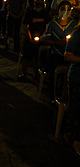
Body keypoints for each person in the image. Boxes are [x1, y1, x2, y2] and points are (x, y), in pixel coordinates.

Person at [40, 0, 78, 100]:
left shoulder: (74, 24)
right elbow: (44, 40)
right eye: (63, 9)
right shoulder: (53, 24)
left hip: (70, 56)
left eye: (68, 9)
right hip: (56, 54)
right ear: (58, 10)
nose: (65, 11)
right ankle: (52, 94)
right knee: (53, 70)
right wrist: (56, 43)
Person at [18, 0, 50, 80]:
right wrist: (30, 38)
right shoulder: (30, 12)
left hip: (41, 39)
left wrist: (42, 38)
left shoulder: (45, 14)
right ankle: (23, 73)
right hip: (29, 39)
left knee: (39, 58)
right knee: (26, 56)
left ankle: (37, 74)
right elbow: (26, 26)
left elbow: (47, 27)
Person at [63, 26, 80, 155]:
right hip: (77, 77)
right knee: (75, 108)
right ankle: (72, 137)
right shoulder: (77, 33)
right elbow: (68, 56)